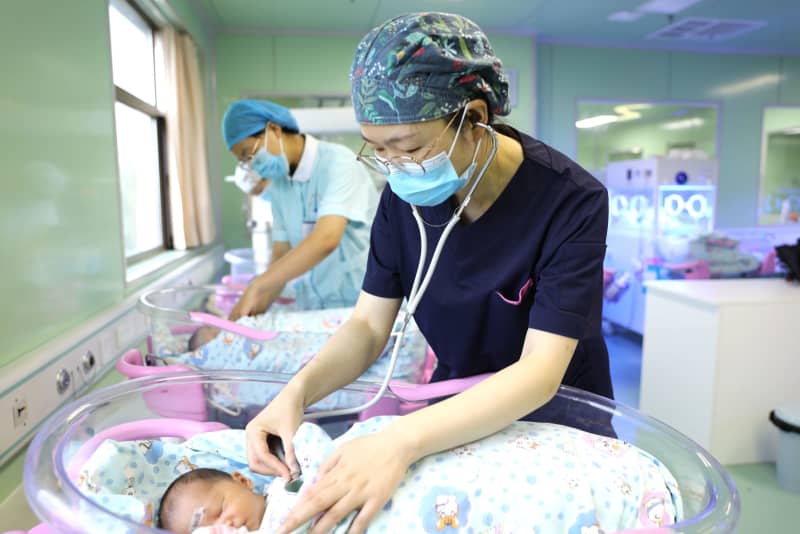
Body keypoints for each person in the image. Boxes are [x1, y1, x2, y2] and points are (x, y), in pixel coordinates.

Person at [243, 12, 612, 534]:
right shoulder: (403, 200)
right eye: (379, 149)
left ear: (475, 117)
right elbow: (367, 327)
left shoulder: (571, 201)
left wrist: (399, 440)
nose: (396, 166)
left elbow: (539, 372)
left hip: (555, 417)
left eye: (411, 147)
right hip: (451, 412)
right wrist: (296, 394)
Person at [157, 419, 680, 533]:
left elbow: (318, 444)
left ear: (241, 482)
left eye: (214, 513)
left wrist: (293, 436)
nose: (221, 528)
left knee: (496, 473)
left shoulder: (286, 483)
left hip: (403, 473)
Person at [221, 100, 379, 318]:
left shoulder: (339, 163)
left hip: (360, 304)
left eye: (250, 153)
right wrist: (246, 317)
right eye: (244, 161)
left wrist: (258, 284)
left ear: (274, 129)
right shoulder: (280, 185)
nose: (252, 164)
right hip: (314, 308)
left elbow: (326, 239)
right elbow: (281, 253)